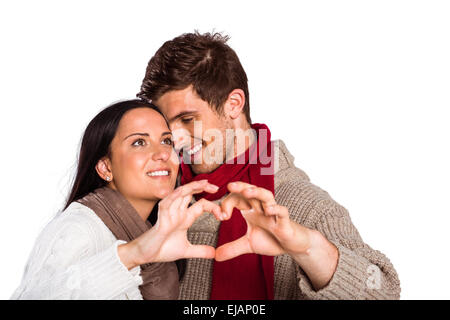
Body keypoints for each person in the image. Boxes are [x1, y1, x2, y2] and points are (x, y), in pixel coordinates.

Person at [137, 32, 401, 299]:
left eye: (188, 119)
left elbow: (383, 291)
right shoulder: (160, 203)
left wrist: (307, 248)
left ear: (233, 104)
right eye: (168, 126)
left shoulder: (306, 207)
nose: (177, 139)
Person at [11, 99, 224, 300]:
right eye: (139, 142)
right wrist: (132, 254)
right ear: (106, 168)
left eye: (167, 141)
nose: (162, 154)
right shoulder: (78, 229)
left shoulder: (162, 232)